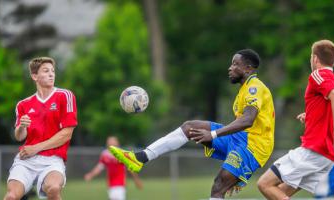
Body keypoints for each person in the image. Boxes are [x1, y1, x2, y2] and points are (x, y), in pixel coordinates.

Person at [109, 49, 275, 199]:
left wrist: (213, 134)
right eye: (231, 64)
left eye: (235, 64)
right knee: (190, 127)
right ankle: (141, 157)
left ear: (248, 68)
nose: (230, 68)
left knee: (218, 187)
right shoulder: (244, 89)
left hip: (254, 147)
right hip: (240, 139)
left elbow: (247, 120)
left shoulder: (255, 87)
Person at [257, 39, 334, 200]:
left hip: (314, 149)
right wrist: (313, 117)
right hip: (326, 156)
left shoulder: (317, 75)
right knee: (280, 192)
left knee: (264, 184)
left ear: (315, 58)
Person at [4, 57, 78, 200]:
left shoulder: (65, 95)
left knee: (53, 188)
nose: (51, 74)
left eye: (53, 71)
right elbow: (19, 137)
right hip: (26, 160)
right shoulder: (23, 104)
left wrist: (36, 147)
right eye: (46, 71)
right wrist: (21, 127)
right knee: (12, 196)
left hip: (52, 160)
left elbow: (66, 134)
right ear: (34, 76)